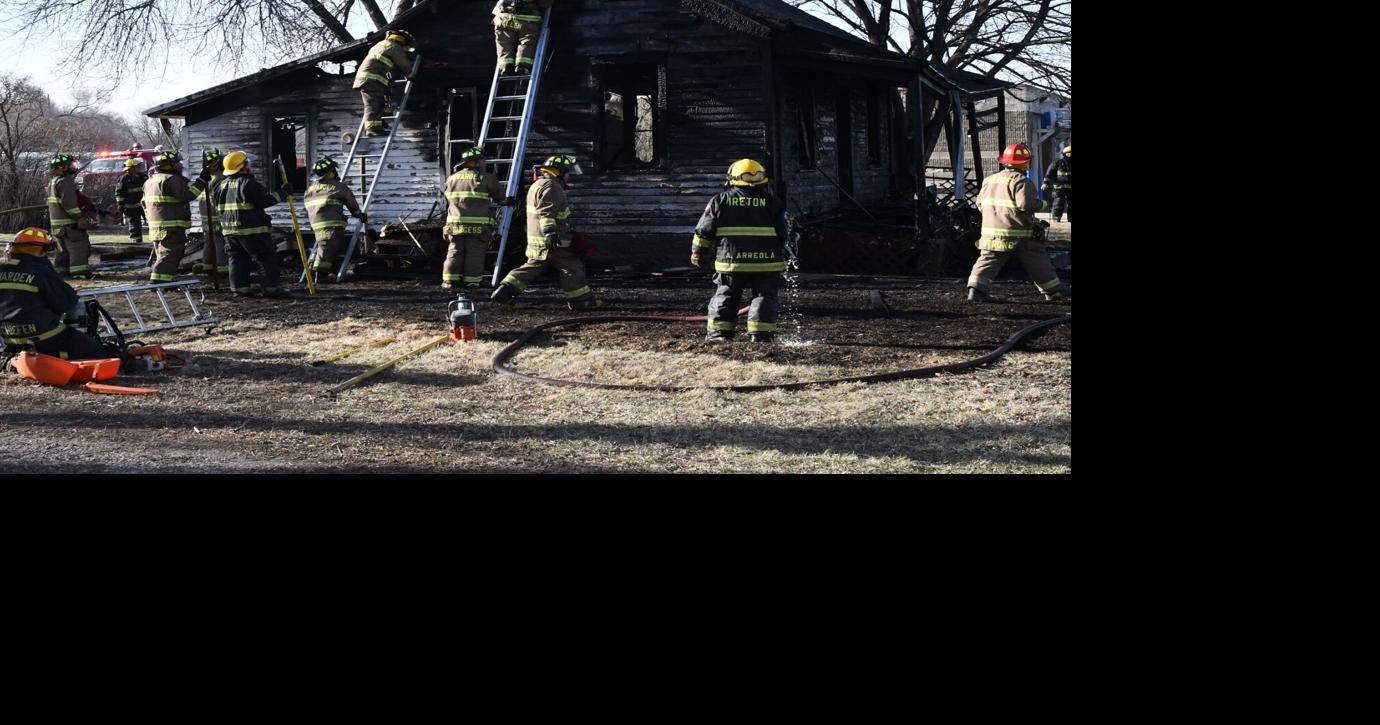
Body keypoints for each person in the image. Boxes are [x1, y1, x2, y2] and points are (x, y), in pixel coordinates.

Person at [691, 159, 789, 343]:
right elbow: (783, 233)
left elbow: (704, 231)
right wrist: (785, 252)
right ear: (763, 180)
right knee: (764, 297)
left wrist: (698, 251)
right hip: (766, 264)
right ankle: (761, 335)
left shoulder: (719, 201)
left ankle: (719, 334)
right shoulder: (772, 202)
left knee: (726, 295)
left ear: (731, 179)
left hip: (731, 262)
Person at [490, 154, 599, 310]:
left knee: (532, 267)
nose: (569, 177)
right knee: (572, 267)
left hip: (538, 241)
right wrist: (550, 232)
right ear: (559, 172)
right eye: (568, 173)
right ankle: (581, 301)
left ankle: (504, 291)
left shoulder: (538, 184)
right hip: (554, 241)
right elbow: (546, 212)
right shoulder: (552, 186)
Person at [966, 143, 1069, 302]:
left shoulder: (989, 179)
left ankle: (975, 291)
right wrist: (1043, 204)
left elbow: (979, 203)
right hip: (1019, 232)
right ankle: (1054, 291)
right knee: (1036, 258)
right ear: (1026, 163)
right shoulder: (1022, 181)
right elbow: (1026, 205)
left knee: (987, 260)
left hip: (991, 232)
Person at [0, 227, 109, 360]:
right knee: (97, 350)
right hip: (46, 336)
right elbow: (66, 302)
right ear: (40, 250)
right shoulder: (40, 271)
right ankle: (68, 357)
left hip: (10, 338)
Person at [213, 151, 292, 298]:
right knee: (265, 258)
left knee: (237, 259)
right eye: (247, 163)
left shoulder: (220, 185)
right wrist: (283, 192)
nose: (250, 165)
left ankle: (240, 288)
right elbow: (264, 201)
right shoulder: (248, 182)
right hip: (252, 230)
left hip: (229, 230)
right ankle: (271, 288)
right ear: (243, 166)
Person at [442, 146, 507, 289]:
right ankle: (472, 281)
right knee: (475, 253)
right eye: (483, 160)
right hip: (478, 226)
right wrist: (508, 200)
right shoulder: (486, 178)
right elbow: (500, 198)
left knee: (454, 251)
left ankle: (449, 281)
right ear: (476, 162)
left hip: (454, 225)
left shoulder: (451, 178)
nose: (485, 163)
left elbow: (448, 198)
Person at [142, 151, 211, 283]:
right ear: (169, 166)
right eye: (177, 163)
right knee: (170, 255)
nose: (180, 165)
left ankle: (167, 281)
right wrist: (201, 181)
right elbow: (188, 195)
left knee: (164, 255)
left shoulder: (150, 181)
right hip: (170, 227)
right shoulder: (172, 179)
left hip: (157, 227)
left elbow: (144, 203)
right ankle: (159, 282)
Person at [303, 156, 366, 280]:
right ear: (330, 173)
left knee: (322, 247)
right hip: (331, 225)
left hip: (316, 224)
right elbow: (351, 203)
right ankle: (321, 275)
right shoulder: (338, 187)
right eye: (334, 171)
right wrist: (359, 214)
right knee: (327, 250)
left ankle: (311, 272)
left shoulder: (310, 189)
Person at [353, 29, 416, 136]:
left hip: (373, 79)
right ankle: (373, 129)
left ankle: (380, 124)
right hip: (372, 79)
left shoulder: (381, 44)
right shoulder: (394, 47)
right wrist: (411, 76)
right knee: (373, 104)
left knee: (381, 102)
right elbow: (404, 65)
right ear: (402, 41)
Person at [47, 154, 93, 279]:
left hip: (57, 226)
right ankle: (80, 273)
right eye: (71, 165)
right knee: (79, 247)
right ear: (63, 167)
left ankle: (62, 272)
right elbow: (69, 203)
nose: (73, 167)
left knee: (63, 251)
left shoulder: (53, 182)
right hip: (69, 225)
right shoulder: (65, 181)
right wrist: (79, 217)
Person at [193, 148, 229, 279]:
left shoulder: (205, 178)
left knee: (208, 240)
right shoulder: (220, 178)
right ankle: (222, 268)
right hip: (216, 215)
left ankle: (207, 265)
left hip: (206, 216)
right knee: (219, 241)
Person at [493, 0, 554, 75]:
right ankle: (523, 66)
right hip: (527, 19)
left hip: (503, 17)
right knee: (528, 41)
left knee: (505, 42)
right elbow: (545, 3)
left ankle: (505, 66)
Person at [115, 157, 147, 243]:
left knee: (151, 223)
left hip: (144, 205)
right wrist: (120, 205)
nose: (139, 168)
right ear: (131, 168)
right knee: (134, 225)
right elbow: (119, 193)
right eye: (137, 167)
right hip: (131, 207)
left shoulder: (143, 177)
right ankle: (137, 242)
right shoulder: (123, 179)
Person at [1042, 144, 1071, 223]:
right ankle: (1056, 218)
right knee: (1058, 202)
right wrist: (1045, 183)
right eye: (1068, 153)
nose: (1070, 154)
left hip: (1070, 188)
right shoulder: (1057, 162)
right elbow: (1049, 173)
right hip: (1059, 187)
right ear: (1064, 154)